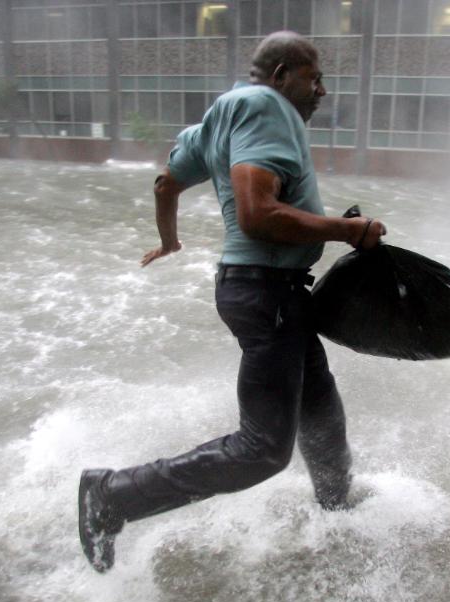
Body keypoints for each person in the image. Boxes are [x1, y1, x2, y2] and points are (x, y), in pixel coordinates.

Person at [78, 31, 386, 573]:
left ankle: (336, 506)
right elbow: (256, 214)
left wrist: (170, 239)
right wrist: (347, 229)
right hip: (267, 292)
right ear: (281, 74)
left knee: (320, 411)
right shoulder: (265, 106)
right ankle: (112, 494)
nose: (322, 91)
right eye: (314, 78)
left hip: (267, 290)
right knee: (264, 449)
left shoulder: (221, 118)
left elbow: (164, 183)